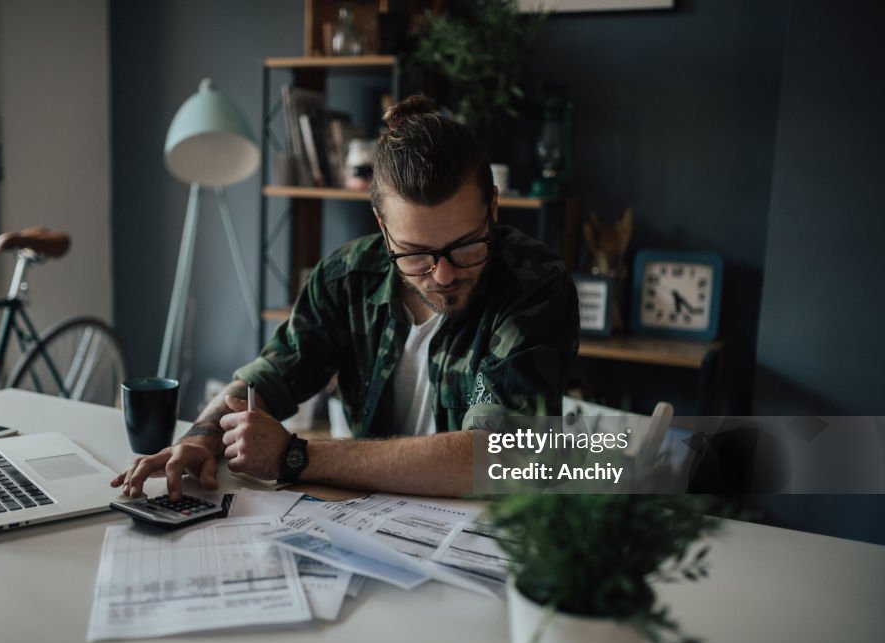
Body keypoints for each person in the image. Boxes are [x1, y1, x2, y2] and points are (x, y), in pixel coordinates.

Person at [112, 95, 579, 500]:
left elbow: (494, 457)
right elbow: (271, 374)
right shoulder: (346, 275)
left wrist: (297, 456)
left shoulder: (534, 285)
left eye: (465, 245)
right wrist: (200, 436)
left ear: (493, 207)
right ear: (382, 225)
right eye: (415, 253)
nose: (443, 273)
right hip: (368, 522)